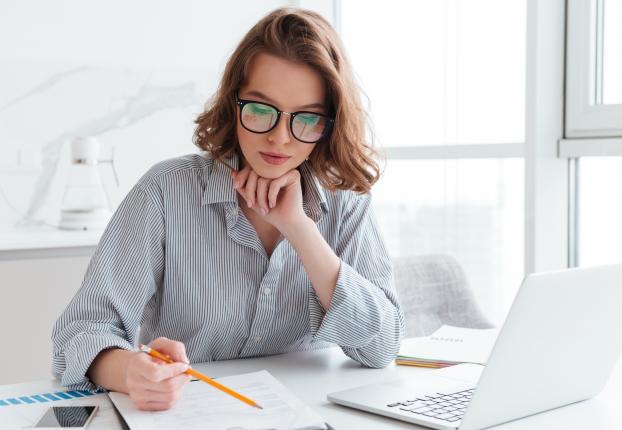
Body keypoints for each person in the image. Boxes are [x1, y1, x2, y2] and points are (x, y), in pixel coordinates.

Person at [52, 7, 405, 411]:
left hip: (306, 416)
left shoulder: (345, 200)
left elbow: (382, 346)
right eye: (260, 110)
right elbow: (78, 334)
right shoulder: (166, 191)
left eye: (306, 119)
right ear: (233, 103)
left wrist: (300, 229)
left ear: (330, 122)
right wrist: (132, 371)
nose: (279, 139)